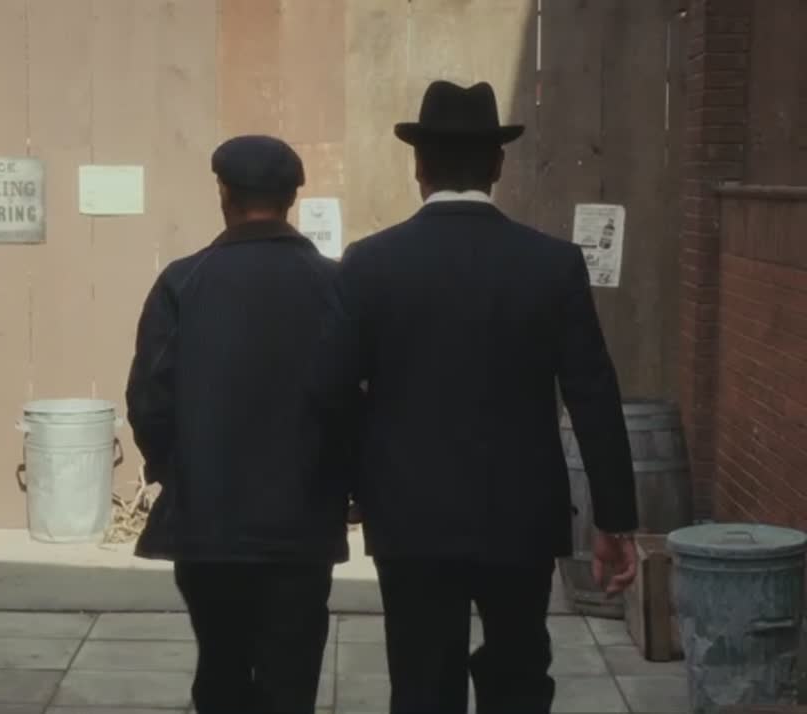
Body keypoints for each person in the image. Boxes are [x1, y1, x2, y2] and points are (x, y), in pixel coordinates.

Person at [317, 80, 640, 714]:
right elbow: (594, 395)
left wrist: (350, 489)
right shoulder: (552, 264)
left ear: (418, 166)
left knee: (421, 683)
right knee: (519, 678)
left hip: (408, 515)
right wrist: (615, 518)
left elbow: (334, 391)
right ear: (497, 165)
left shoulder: (369, 263)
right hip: (520, 515)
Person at [126, 135, 354, 714]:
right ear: (292, 198)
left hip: (209, 524)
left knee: (221, 669)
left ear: (223, 193)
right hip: (303, 524)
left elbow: (149, 400)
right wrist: (342, 483)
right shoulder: (336, 285)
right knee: (291, 679)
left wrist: (176, 471)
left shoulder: (183, 282)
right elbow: (356, 400)